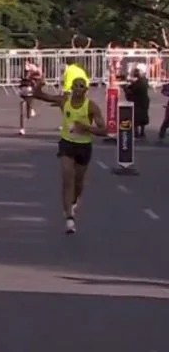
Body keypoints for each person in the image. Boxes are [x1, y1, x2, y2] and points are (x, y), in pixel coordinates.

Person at [32, 76, 106, 234]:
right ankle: (69, 219)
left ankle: (73, 201)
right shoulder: (63, 101)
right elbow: (39, 95)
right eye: (76, 86)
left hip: (84, 146)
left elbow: (104, 130)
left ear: (86, 90)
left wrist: (86, 128)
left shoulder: (91, 107)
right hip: (67, 144)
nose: (78, 89)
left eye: (81, 86)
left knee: (78, 183)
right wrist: (39, 85)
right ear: (72, 88)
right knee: (67, 178)